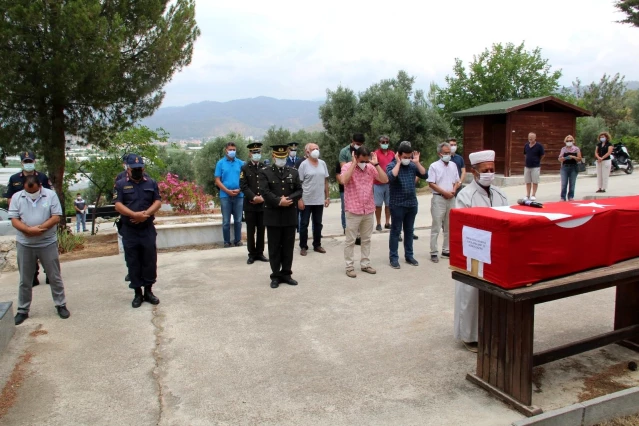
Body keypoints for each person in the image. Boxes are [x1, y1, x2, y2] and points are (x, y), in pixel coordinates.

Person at [454, 150, 508, 353]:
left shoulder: (501, 194)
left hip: (496, 253)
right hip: (474, 253)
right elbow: (461, 227)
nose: (489, 173)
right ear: (475, 172)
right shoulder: (465, 196)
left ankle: (492, 332)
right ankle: (470, 336)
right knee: (471, 295)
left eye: (492, 170)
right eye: (485, 170)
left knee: (496, 296)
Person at [9, 175, 70, 325]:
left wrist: (40, 229)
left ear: (40, 186)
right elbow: (14, 219)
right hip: (25, 244)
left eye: (35, 191)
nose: (32, 194)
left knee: (54, 276)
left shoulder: (50, 195)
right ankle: (23, 310)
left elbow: (56, 217)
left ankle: (60, 304)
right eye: (29, 191)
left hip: (47, 242)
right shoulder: (17, 197)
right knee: (25, 279)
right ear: (24, 187)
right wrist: (28, 230)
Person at [114, 154, 162, 308]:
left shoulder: (151, 182)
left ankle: (148, 291)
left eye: (139, 168)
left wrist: (145, 215)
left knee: (149, 260)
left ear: (143, 168)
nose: (137, 171)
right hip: (130, 230)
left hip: (147, 228)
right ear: (127, 169)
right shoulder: (120, 184)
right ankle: (137, 293)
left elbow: (157, 201)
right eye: (134, 169)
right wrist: (133, 215)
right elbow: (118, 205)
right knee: (133, 261)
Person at [5, 151, 52, 287]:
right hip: (23, 220)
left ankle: (49, 274)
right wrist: (17, 218)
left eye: (30, 161)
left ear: (34, 162)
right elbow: (10, 198)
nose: (28, 164)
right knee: (27, 251)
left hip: (42, 219)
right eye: (25, 162)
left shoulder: (42, 177)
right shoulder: (14, 179)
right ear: (21, 163)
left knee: (46, 249)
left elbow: (50, 197)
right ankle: (32, 276)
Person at [259, 145, 303, 289]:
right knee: (274, 247)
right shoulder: (265, 172)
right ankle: (275, 276)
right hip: (273, 215)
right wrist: (279, 201)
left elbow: (299, 190)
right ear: (273, 157)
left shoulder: (293, 172)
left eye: (284, 157)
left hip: (289, 214)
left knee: (288, 247)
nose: (281, 160)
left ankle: (286, 274)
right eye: (279, 157)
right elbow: (265, 192)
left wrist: (288, 199)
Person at [341, 146, 388, 278]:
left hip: (368, 209)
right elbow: (344, 180)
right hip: (353, 210)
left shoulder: (370, 167)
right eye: (362, 160)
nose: (364, 163)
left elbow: (384, 179)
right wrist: (354, 164)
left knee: (366, 239)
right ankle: (349, 266)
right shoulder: (347, 167)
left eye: (366, 161)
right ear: (355, 157)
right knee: (350, 240)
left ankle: (365, 264)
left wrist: (376, 164)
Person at [386, 142, 428, 269]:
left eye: (409, 157)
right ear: (399, 155)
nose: (407, 159)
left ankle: (409, 255)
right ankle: (393, 257)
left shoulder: (412, 165)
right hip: (397, 204)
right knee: (395, 231)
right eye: (405, 157)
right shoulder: (392, 165)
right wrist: (398, 163)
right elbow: (390, 177)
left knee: (409, 231)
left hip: (411, 204)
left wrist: (416, 162)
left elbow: (425, 175)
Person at [427, 142, 461, 263]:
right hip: (439, 198)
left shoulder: (453, 165)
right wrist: (444, 192)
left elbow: (457, 180)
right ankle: (433, 251)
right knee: (436, 225)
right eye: (445, 153)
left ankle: (446, 250)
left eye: (449, 152)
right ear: (439, 153)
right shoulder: (434, 166)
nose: (448, 155)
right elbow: (431, 183)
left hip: (451, 198)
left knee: (449, 225)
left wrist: (454, 190)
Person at [297, 143, 330, 256]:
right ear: (307, 152)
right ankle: (303, 246)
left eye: (317, 148)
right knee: (304, 224)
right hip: (306, 199)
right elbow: (299, 184)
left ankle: (317, 244)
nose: (316, 150)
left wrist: (327, 197)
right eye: (313, 149)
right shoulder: (303, 165)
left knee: (317, 223)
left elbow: (326, 181)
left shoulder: (322, 164)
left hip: (319, 200)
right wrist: (299, 199)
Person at [240, 142, 269, 264]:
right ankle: (251, 254)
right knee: (251, 230)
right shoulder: (245, 168)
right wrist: (253, 197)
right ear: (250, 154)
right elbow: (243, 185)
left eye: (258, 152)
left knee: (261, 230)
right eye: (254, 152)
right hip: (250, 205)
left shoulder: (265, 167)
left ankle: (260, 253)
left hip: (262, 205)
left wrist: (262, 197)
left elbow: (268, 185)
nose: (256, 154)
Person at [215, 142, 244, 248]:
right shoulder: (220, 163)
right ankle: (226, 241)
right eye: (230, 149)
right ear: (226, 150)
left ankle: (238, 240)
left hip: (239, 195)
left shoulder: (241, 163)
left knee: (238, 220)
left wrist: (240, 189)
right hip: (225, 196)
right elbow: (217, 180)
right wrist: (227, 191)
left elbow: (245, 179)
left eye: (234, 149)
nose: (232, 151)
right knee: (226, 221)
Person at [339, 133, 366, 242]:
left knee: (360, 210)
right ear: (352, 141)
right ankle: (347, 230)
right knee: (346, 209)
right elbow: (344, 169)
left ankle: (359, 234)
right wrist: (354, 163)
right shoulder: (344, 152)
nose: (359, 146)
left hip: (360, 186)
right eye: (357, 144)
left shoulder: (364, 151)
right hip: (347, 185)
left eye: (361, 144)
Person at [373, 136, 395, 232]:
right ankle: (378, 223)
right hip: (378, 183)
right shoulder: (375, 154)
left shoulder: (392, 154)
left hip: (389, 183)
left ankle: (387, 222)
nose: (385, 143)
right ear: (379, 143)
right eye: (383, 142)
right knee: (378, 205)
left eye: (386, 142)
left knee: (388, 204)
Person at [558, 135, 582, 201]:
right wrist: (562, 159)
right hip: (564, 167)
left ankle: (571, 196)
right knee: (564, 183)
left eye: (570, 141)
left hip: (573, 167)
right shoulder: (563, 149)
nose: (569, 142)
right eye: (567, 141)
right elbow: (559, 158)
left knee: (572, 183)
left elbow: (579, 159)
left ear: (573, 141)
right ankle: (563, 197)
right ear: (565, 141)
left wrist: (573, 157)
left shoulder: (576, 149)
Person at [523, 132, 545, 201]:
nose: (530, 138)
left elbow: (543, 155)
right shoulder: (526, 145)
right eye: (529, 137)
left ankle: (533, 195)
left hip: (535, 166)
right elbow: (525, 154)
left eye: (532, 137)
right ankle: (527, 195)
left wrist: (537, 161)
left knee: (535, 181)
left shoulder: (539, 146)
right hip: (527, 166)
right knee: (528, 181)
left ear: (535, 138)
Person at [335, 161, 346, 233]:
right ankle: (345, 226)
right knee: (344, 208)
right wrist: (343, 182)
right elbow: (337, 174)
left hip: (357, 189)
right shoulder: (340, 161)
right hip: (344, 190)